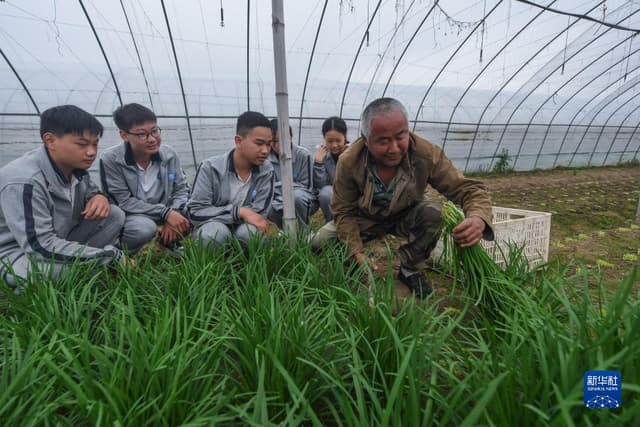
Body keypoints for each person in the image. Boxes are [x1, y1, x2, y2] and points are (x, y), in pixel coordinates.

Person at [312, 98, 494, 298]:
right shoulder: (349, 161)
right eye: (383, 141)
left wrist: (477, 217)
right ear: (366, 140)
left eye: (400, 137)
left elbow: (468, 189)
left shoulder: (425, 153)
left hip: (405, 214)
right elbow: (343, 211)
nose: (394, 148)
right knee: (320, 243)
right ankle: (355, 263)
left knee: (433, 212)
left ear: (408, 130)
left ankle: (410, 268)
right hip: (365, 217)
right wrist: (356, 252)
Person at [0, 105, 127, 289]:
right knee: (86, 275)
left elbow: (91, 190)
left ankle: (86, 263)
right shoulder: (24, 181)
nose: (91, 152)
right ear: (50, 140)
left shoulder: (75, 168)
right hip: (17, 252)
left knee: (114, 214)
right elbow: (39, 246)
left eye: (95, 144)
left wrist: (99, 196)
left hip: (58, 239)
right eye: (82, 144)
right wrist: (108, 256)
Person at [100, 103, 190, 253]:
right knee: (144, 228)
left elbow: (181, 189)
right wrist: (165, 213)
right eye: (142, 134)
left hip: (166, 210)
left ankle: (168, 242)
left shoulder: (169, 154)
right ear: (124, 135)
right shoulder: (111, 159)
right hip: (135, 215)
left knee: (197, 211)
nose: (152, 139)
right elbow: (123, 201)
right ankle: (122, 253)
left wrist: (174, 212)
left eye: (155, 131)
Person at [189, 111, 274, 248]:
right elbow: (196, 212)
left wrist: (238, 215)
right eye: (259, 143)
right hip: (213, 225)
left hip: (245, 226)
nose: (265, 151)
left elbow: (259, 212)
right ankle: (213, 267)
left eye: (269, 144)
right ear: (238, 141)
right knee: (214, 235)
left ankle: (247, 266)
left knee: (249, 235)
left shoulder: (266, 170)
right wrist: (239, 212)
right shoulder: (211, 168)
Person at [267, 118, 318, 229]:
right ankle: (284, 229)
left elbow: (307, 187)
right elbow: (268, 189)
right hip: (279, 200)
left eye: (283, 140)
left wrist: (280, 187)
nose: (278, 145)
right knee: (269, 207)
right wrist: (291, 187)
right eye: (274, 141)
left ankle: (305, 230)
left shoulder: (303, 155)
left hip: (304, 199)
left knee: (297, 197)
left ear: (290, 137)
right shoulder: (266, 159)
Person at [313, 116, 348, 223]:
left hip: (353, 195)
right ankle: (332, 223)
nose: (334, 145)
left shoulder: (353, 153)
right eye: (330, 141)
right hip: (334, 194)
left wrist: (346, 159)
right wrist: (318, 163)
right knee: (325, 193)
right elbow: (321, 186)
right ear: (324, 138)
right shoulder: (324, 156)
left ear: (345, 137)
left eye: (338, 140)